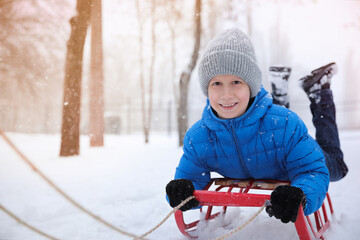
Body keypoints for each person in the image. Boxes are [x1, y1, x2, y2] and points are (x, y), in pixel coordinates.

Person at [165, 28, 348, 224]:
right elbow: (191, 178)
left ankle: (320, 92)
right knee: (271, 124)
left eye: (236, 82)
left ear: (251, 87)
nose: (226, 94)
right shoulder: (198, 137)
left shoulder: (287, 124)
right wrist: (182, 190)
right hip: (273, 137)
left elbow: (311, 170)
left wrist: (301, 194)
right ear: (206, 89)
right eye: (216, 83)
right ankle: (280, 92)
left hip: (291, 157)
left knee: (336, 166)